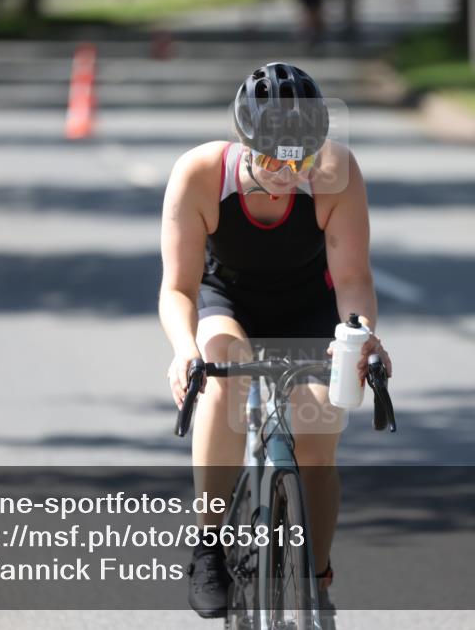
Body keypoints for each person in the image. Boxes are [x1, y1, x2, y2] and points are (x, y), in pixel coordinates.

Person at [159, 62, 392, 618]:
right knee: (221, 370)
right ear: (243, 144)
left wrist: (358, 338)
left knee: (318, 435)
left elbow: (354, 280)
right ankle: (209, 545)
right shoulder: (199, 174)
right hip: (227, 303)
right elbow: (177, 288)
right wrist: (183, 350)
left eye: (301, 158)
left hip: (308, 308)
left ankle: (315, 575)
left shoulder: (337, 171)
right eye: (272, 159)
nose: (289, 172)